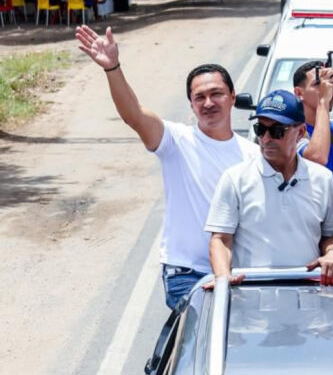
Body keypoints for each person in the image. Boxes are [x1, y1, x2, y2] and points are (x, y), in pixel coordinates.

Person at [75, 23, 256, 310]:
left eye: (217, 94)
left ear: (233, 97)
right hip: (187, 274)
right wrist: (112, 68)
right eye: (199, 97)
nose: (208, 103)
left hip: (238, 273)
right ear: (191, 105)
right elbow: (134, 115)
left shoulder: (253, 155)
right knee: (201, 334)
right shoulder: (176, 141)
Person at [206, 90, 333, 286]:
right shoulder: (235, 178)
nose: (266, 138)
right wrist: (223, 277)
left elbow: (330, 234)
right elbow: (220, 239)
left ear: (300, 132)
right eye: (260, 129)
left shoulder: (323, 179)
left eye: (277, 131)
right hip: (252, 293)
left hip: (309, 293)